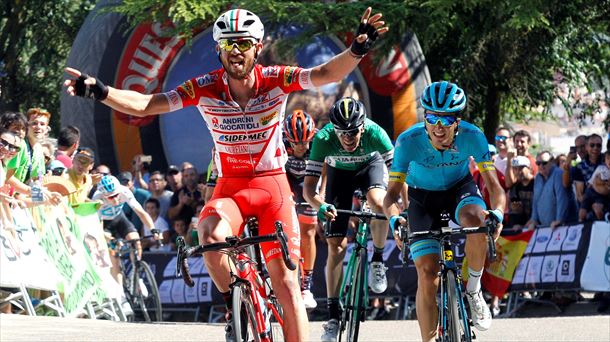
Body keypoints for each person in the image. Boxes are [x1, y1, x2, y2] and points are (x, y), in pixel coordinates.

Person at [64, 7, 387, 340]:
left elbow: (323, 75)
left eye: (244, 43)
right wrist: (101, 92)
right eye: (229, 44)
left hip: (271, 187)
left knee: (287, 283)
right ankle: (239, 303)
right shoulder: (204, 87)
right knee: (209, 235)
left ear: (257, 47)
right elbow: (147, 104)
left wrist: (357, 50)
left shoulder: (275, 78)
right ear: (218, 49)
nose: (236, 50)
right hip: (230, 187)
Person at [383, 81, 506, 341]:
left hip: (458, 190)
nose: (439, 127)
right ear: (424, 117)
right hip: (421, 199)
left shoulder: (473, 136)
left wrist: (498, 214)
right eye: (432, 117)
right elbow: (392, 194)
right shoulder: (408, 141)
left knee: (477, 221)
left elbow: (495, 187)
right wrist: (394, 218)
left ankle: (473, 290)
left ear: (457, 121)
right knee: (427, 275)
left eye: (446, 119)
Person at [303, 97, 394, 341]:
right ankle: (333, 316)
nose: (347, 138)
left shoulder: (377, 134)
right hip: (338, 175)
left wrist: (402, 209)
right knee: (336, 246)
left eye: (353, 132)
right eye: (342, 133)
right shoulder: (323, 139)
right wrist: (320, 206)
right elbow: (308, 190)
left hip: (369, 167)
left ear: (362, 127)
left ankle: (376, 259)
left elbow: (398, 179)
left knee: (378, 203)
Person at [91, 175, 157, 284]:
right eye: (111, 197)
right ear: (103, 195)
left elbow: (141, 212)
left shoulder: (124, 191)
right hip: (104, 225)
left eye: (116, 195)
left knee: (135, 241)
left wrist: (153, 229)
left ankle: (137, 277)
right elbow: (96, 226)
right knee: (114, 256)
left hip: (120, 218)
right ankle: (120, 292)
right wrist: (109, 239)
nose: (116, 199)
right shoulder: (97, 198)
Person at [283, 109, 318, 309]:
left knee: (309, 230)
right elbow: (277, 170)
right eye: (296, 143)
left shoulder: (317, 141)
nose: (300, 146)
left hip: (309, 180)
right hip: (287, 177)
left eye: (304, 142)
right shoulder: (280, 140)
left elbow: (325, 170)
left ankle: (306, 286)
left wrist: (319, 195)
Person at [525, 151, 571, 230]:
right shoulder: (537, 178)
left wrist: (559, 220)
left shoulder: (559, 174)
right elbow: (536, 201)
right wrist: (534, 219)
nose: (541, 166)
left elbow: (562, 199)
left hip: (562, 226)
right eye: (538, 163)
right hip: (545, 227)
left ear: (552, 162)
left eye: (544, 163)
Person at [579, 150, 609, 221]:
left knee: (598, 211)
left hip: (601, 196)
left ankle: (600, 224)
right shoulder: (600, 168)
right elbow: (592, 179)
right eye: (608, 158)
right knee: (582, 214)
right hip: (590, 191)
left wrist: (602, 183)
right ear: (605, 160)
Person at [506, 156, 534, 228]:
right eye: (515, 168)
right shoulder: (515, 187)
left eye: (521, 168)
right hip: (523, 226)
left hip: (536, 224)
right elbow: (515, 210)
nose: (518, 171)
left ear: (529, 168)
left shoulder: (537, 183)